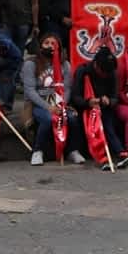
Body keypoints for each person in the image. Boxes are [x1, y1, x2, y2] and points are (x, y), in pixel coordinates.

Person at [22, 32, 86, 165]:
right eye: (46, 43)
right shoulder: (31, 64)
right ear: (40, 46)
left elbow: (67, 88)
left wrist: (62, 105)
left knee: (72, 118)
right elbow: (30, 91)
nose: (50, 46)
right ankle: (37, 151)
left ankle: (73, 150)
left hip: (59, 103)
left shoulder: (65, 65)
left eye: (53, 44)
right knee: (47, 119)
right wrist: (49, 107)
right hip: (39, 103)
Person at [71, 46, 128, 170]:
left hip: (104, 108)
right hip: (86, 109)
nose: (105, 75)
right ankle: (101, 158)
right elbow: (75, 97)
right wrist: (88, 102)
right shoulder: (83, 71)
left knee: (108, 124)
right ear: (96, 65)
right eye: (103, 72)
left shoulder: (111, 72)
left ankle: (121, 153)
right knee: (94, 127)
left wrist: (109, 101)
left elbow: (115, 97)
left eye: (108, 72)